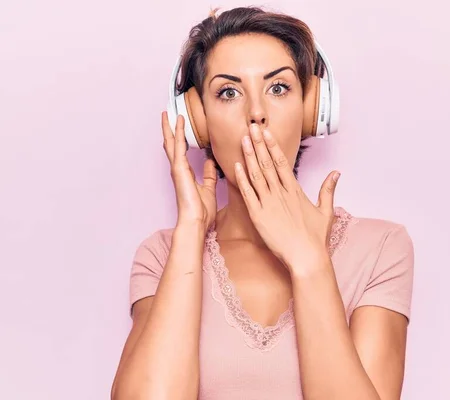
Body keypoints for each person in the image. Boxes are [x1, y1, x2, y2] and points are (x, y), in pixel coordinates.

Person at [111, 6, 414, 400]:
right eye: (229, 92)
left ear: (312, 110)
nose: (256, 114)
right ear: (198, 120)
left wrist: (309, 263)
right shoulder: (161, 255)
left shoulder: (381, 249)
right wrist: (190, 233)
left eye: (278, 88)